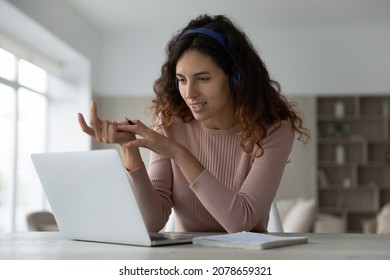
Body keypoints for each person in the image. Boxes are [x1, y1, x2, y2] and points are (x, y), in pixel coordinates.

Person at [78, 14, 310, 233]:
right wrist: (130, 148)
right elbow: (152, 222)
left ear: (236, 78)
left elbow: (240, 221)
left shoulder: (274, 130)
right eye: (181, 80)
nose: (189, 93)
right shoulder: (170, 123)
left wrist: (177, 152)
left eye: (203, 78)